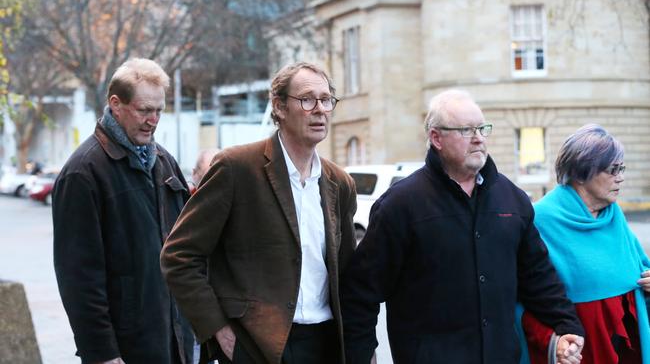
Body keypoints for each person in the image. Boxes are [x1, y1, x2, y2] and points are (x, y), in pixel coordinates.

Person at [340, 89, 585, 364]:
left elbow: (538, 276)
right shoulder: (401, 205)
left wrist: (566, 326)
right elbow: (360, 294)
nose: (479, 137)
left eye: (482, 128)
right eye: (466, 130)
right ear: (436, 138)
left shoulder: (512, 199)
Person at [160, 62, 357, 364]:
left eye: (326, 99)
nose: (320, 109)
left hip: (325, 344)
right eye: (307, 99)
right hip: (256, 346)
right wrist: (219, 331)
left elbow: (346, 275)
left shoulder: (339, 183)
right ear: (279, 107)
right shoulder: (236, 168)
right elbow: (178, 256)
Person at [52, 58, 194, 364]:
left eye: (159, 110)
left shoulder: (165, 162)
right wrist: (102, 352)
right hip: (125, 349)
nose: (153, 119)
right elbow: (79, 277)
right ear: (116, 104)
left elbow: (187, 253)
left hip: (176, 340)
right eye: (144, 110)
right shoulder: (83, 172)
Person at [519, 124, 650, 363]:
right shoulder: (540, 219)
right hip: (575, 351)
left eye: (622, 168)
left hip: (626, 350)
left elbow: (638, 274)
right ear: (581, 173)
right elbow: (524, 298)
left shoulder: (614, 215)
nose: (620, 177)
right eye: (613, 169)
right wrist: (554, 343)